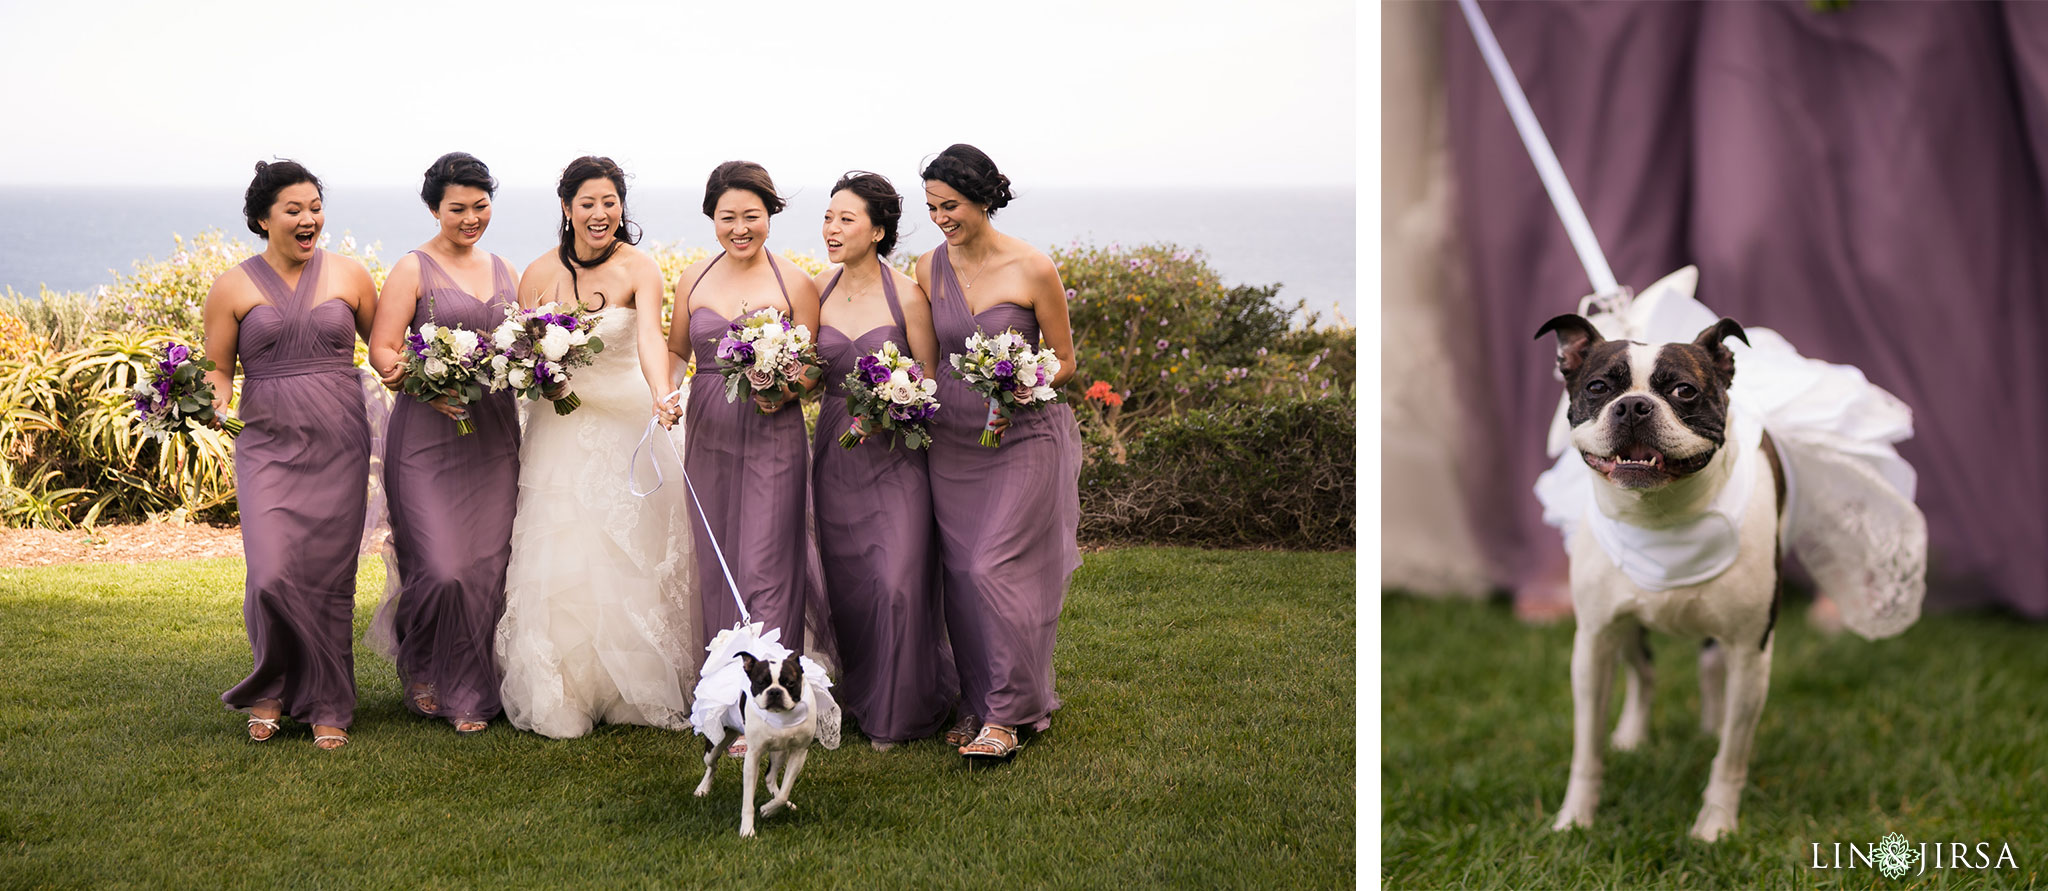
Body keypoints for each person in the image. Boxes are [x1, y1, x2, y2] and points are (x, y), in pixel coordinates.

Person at [494, 156, 701, 739]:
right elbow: (523, 351)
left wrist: (665, 395)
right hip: (558, 430)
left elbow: (649, 342)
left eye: (610, 202)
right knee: (562, 550)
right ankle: (567, 692)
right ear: (566, 208)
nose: (600, 214)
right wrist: (540, 376)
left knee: (627, 550)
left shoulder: (640, 267)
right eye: (588, 203)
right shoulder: (537, 272)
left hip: (627, 425)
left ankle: (631, 691)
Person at [915, 144, 1081, 761]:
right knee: (960, 576)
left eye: (950, 205)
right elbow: (927, 359)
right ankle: (978, 702)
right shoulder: (925, 268)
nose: (941, 219)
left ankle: (1011, 713)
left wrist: (1023, 382)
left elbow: (1066, 360)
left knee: (994, 567)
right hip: (953, 437)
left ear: (984, 198)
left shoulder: (1033, 267)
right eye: (932, 207)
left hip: (1023, 434)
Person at [207, 159, 378, 750]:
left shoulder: (352, 275)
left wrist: (449, 376)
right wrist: (207, 400)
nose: (309, 220)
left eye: (314, 208)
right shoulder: (232, 285)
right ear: (263, 219)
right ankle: (272, 685)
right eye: (293, 210)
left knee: (332, 578)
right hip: (268, 444)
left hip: (339, 439)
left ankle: (329, 699)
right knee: (271, 574)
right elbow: (218, 370)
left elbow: (387, 353)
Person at [365, 152, 520, 734]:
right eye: (458, 208)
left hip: (493, 435)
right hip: (426, 437)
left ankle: (470, 686)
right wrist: (426, 384)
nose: (471, 217)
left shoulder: (505, 269)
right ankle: (426, 661)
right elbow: (382, 350)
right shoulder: (413, 269)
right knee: (440, 564)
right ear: (435, 208)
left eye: (481, 206)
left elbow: (519, 343)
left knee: (485, 566)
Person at [809, 171, 957, 750]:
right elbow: (810, 371)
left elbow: (930, 378)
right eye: (828, 217)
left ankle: (900, 709)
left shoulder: (906, 295)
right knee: (849, 585)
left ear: (878, 230)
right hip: (834, 451)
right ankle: (861, 693)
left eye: (846, 219)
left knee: (897, 581)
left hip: (897, 454)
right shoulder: (816, 289)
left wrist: (893, 402)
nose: (832, 229)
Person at [666, 161, 824, 656]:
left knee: (767, 560)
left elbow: (816, 369)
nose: (740, 229)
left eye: (751, 216)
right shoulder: (693, 277)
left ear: (770, 215)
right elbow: (676, 353)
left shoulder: (796, 282)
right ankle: (725, 685)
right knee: (718, 559)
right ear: (711, 217)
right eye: (727, 217)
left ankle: (770, 692)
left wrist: (786, 388)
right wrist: (667, 391)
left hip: (772, 431)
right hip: (708, 429)